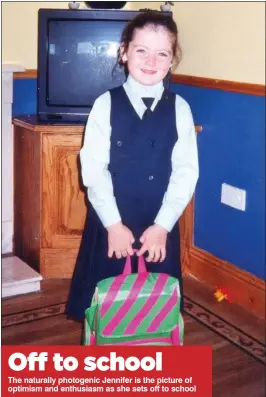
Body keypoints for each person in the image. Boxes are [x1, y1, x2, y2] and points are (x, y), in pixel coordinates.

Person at [66, 11, 199, 322]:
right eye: (142, 50)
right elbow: (94, 171)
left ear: (171, 61)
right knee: (104, 307)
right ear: (124, 52)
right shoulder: (105, 104)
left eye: (162, 53)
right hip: (111, 223)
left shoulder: (180, 108)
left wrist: (163, 226)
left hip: (159, 223)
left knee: (157, 311)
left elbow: (186, 172)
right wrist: (113, 225)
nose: (151, 61)